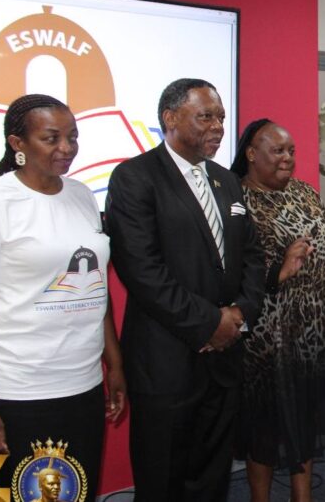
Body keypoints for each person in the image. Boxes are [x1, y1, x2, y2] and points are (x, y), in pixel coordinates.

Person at [106, 79, 265, 502]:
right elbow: (141, 269)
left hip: (225, 358)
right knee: (163, 478)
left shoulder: (227, 181)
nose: (217, 127)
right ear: (170, 119)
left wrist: (240, 314)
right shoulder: (134, 177)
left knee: (213, 475)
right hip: (166, 360)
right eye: (206, 117)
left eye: (222, 118)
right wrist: (210, 322)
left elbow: (251, 255)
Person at [0, 94, 126, 497]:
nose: (67, 148)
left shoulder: (81, 195)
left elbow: (95, 288)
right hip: (16, 392)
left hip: (82, 386)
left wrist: (114, 363)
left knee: (77, 491)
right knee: (11, 494)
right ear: (17, 144)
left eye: (73, 137)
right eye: (52, 138)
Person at [230, 119, 325, 502]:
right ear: (251, 153)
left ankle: (303, 497)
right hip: (267, 338)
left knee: (307, 417)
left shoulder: (305, 191)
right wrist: (278, 272)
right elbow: (232, 272)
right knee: (263, 427)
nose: (287, 158)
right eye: (278, 150)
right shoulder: (237, 200)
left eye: (291, 151)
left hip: (314, 332)